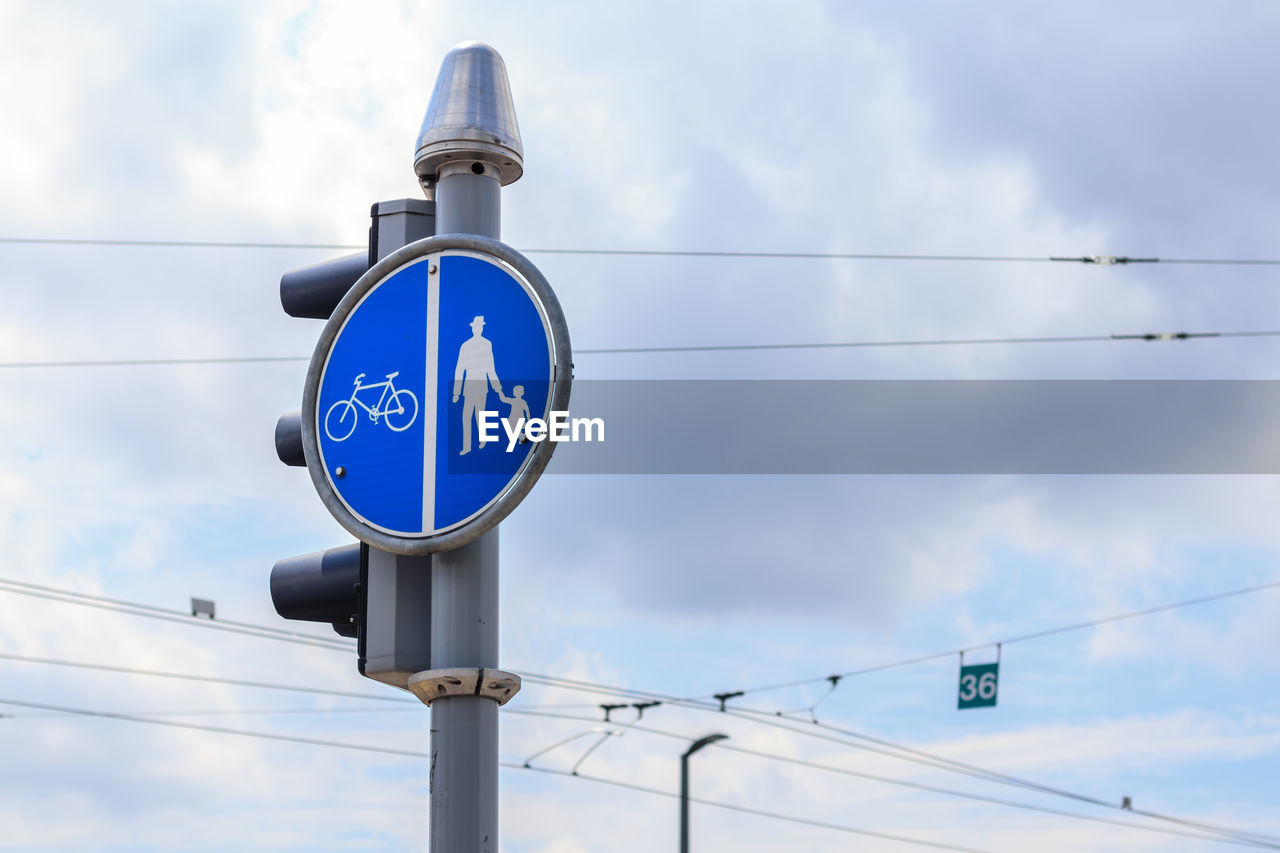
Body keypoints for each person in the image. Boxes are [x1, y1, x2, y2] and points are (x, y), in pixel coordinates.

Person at [451, 315, 503, 455]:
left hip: (481, 386)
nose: (477, 329)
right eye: (475, 327)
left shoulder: (487, 344)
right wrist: (456, 392)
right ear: (473, 328)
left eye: (480, 327)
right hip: (469, 387)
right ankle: (467, 446)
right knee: (466, 416)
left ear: (481, 328)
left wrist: (497, 388)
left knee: (480, 415)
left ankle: (483, 439)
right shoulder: (465, 346)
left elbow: (490, 368)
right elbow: (459, 369)